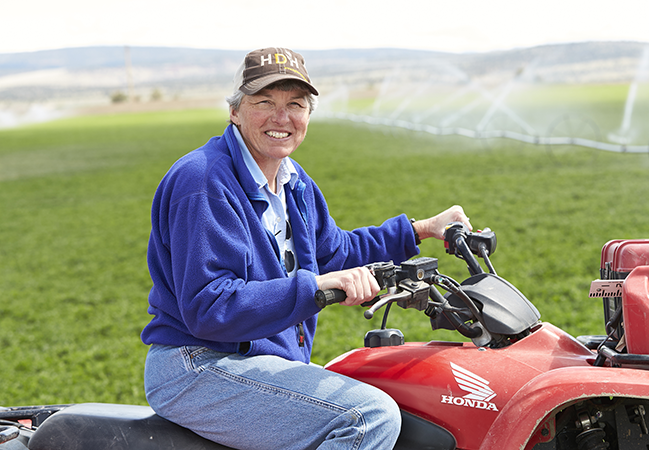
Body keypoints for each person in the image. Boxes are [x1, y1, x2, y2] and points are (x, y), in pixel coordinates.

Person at [141, 47, 471, 450]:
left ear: (308, 116)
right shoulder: (204, 181)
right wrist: (313, 286)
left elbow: (334, 251)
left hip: (257, 360)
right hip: (197, 365)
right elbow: (210, 308)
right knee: (367, 417)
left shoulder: (294, 183)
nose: (281, 118)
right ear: (235, 112)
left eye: (295, 105)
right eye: (264, 102)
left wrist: (421, 230)